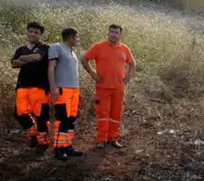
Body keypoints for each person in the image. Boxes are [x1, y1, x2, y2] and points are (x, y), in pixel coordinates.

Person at [81, 24, 136, 149]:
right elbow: (84, 59)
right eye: (111, 32)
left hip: (119, 88)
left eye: (116, 32)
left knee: (116, 114)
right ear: (108, 33)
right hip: (103, 88)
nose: (113, 34)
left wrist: (128, 77)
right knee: (103, 114)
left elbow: (132, 64)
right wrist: (93, 74)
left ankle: (113, 139)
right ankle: (101, 139)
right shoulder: (99, 47)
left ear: (120, 35)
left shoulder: (124, 48)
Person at [10, 21, 51, 150]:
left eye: (36, 32)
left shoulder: (45, 47)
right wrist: (27, 59)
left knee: (41, 116)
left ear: (40, 35)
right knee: (19, 114)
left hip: (40, 87)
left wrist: (22, 59)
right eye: (31, 31)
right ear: (27, 32)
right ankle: (33, 133)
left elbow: (37, 58)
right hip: (22, 86)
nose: (33, 34)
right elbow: (13, 64)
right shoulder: (21, 49)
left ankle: (43, 142)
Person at [48, 27, 84, 161]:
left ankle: (68, 146)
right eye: (77, 37)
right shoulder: (56, 47)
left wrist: (78, 90)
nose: (78, 40)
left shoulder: (71, 51)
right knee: (62, 119)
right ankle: (59, 148)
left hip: (74, 90)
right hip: (62, 89)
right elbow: (51, 68)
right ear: (71, 37)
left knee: (71, 120)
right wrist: (53, 88)